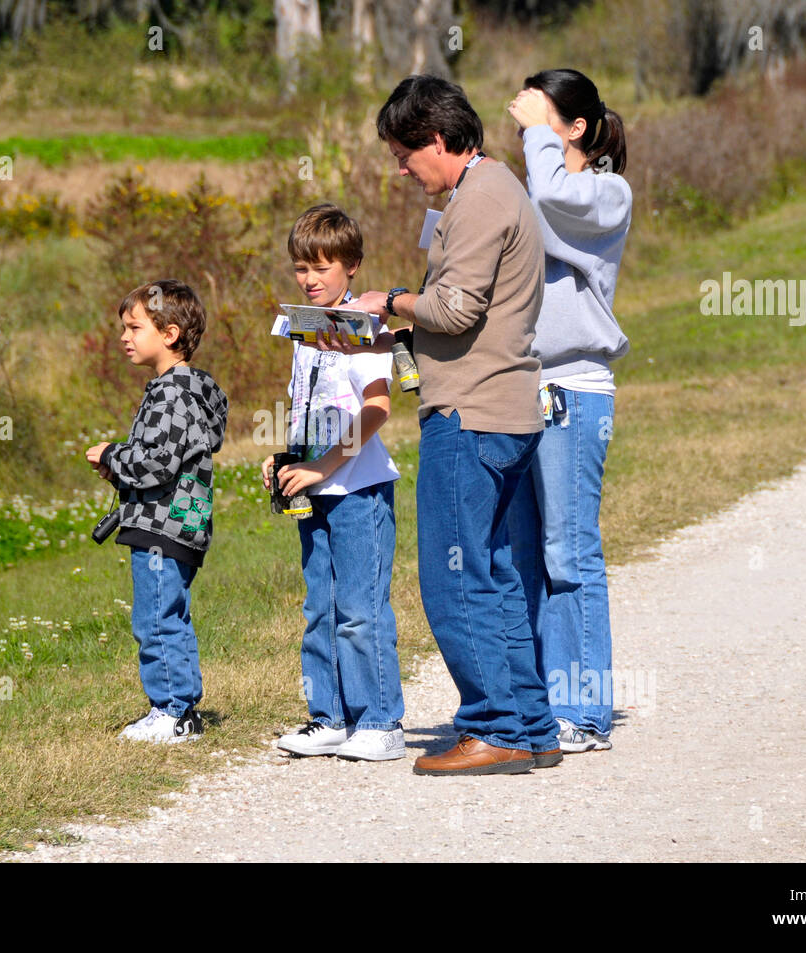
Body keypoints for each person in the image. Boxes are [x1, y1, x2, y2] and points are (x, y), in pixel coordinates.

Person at [338, 75, 562, 776]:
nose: (402, 170)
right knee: (495, 574)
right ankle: (529, 723)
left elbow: (457, 308)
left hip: (470, 413)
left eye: (406, 155)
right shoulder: (497, 189)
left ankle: (492, 725)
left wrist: (392, 299)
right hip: (503, 408)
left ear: (437, 139)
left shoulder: (478, 200)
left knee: (454, 573)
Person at [505, 69, 632, 752]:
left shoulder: (606, 194)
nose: (525, 123)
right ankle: (538, 705)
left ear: (576, 128)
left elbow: (552, 199)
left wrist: (531, 136)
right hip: (520, 387)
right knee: (526, 554)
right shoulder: (540, 190)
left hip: (576, 390)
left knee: (569, 551)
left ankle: (583, 712)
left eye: (542, 116)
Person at [262, 204, 406, 761]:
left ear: (353, 268)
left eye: (323, 267)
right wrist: (289, 461)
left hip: (359, 490)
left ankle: (381, 720)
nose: (310, 279)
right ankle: (330, 716)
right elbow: (308, 405)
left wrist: (326, 466)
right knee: (320, 608)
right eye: (301, 268)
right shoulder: (302, 330)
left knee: (360, 608)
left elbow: (376, 408)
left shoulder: (365, 330)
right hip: (313, 487)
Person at [86, 279, 228, 744]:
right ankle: (181, 709)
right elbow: (168, 459)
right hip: (180, 522)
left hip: (162, 524)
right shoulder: (189, 392)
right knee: (171, 614)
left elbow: (153, 464)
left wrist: (111, 456)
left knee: (155, 619)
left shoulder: (170, 393)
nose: (124, 337)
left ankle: (171, 711)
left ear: (169, 334)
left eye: (134, 327)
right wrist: (122, 471)